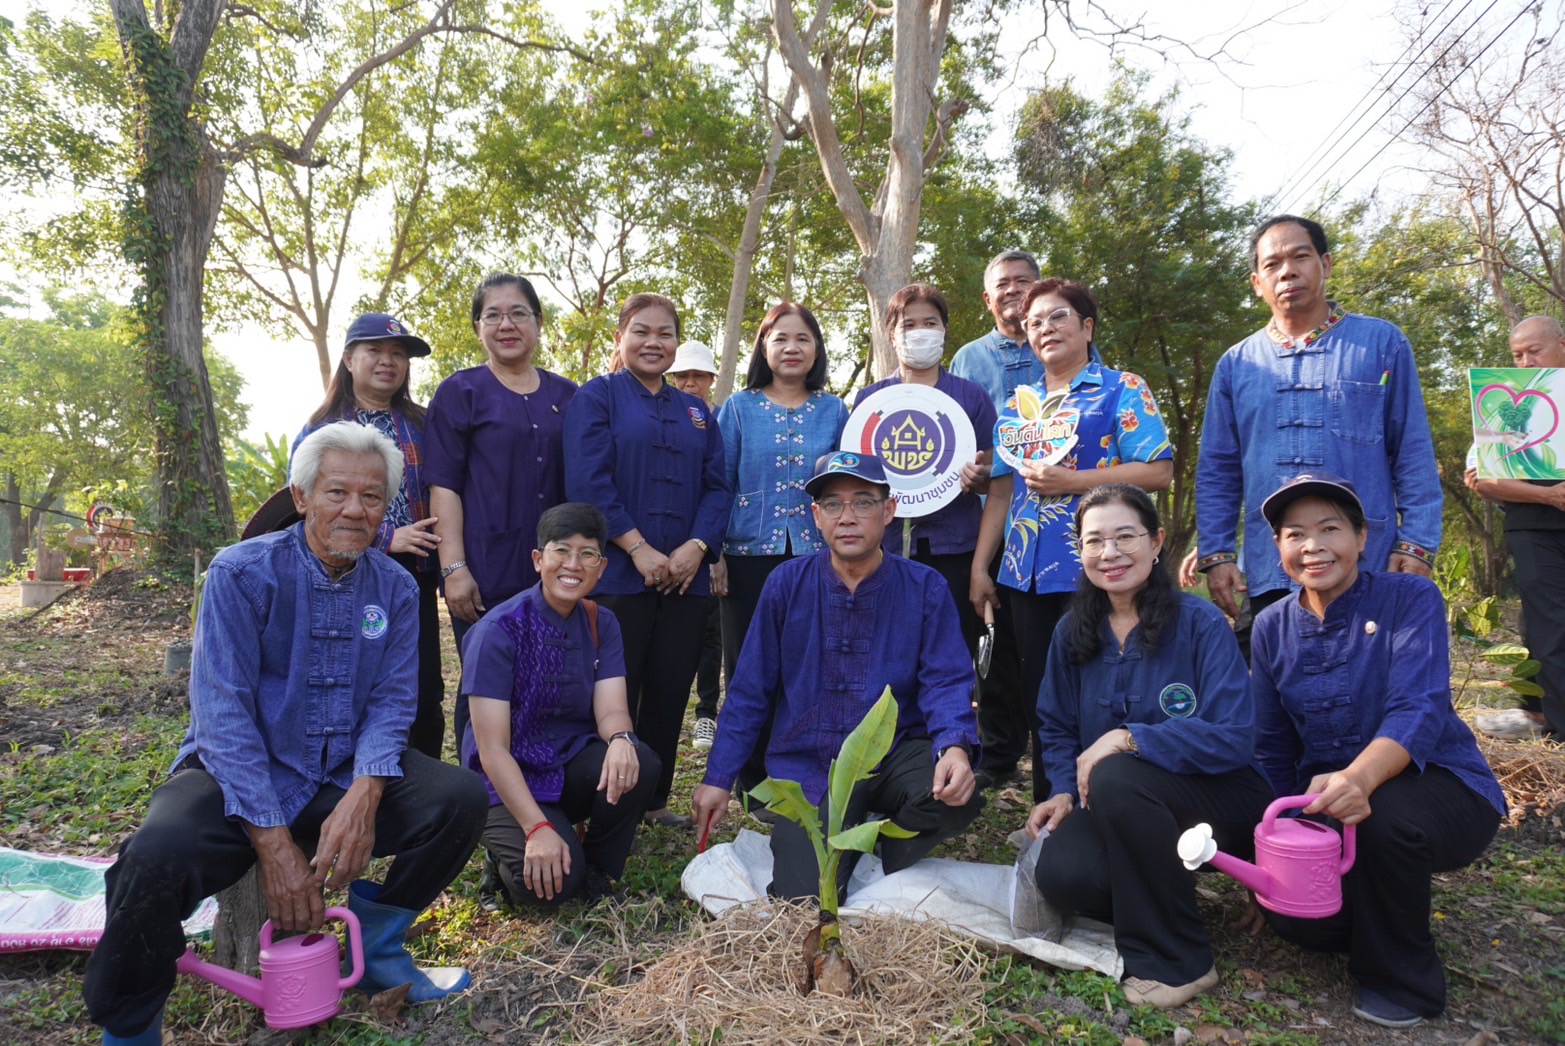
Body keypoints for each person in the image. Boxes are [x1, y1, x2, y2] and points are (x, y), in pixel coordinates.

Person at [83, 424, 487, 1046]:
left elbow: (391, 702)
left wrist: (367, 791)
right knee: (154, 855)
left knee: (458, 799)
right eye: (336, 493)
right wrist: (273, 847)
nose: (355, 510)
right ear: (301, 497)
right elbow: (223, 716)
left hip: (338, 775)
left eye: (373, 498)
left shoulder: (397, 588)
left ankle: (377, 945)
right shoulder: (241, 573)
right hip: (234, 782)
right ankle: (131, 1025)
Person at [1251, 473, 1504, 1029]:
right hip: (1330, 803)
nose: (1312, 546)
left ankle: (1403, 981)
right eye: (1295, 534)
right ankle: (1377, 909)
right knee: (1303, 925)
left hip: (1440, 785)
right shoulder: (1271, 626)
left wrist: (1361, 779)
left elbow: (1420, 707)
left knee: (1383, 819)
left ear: (1362, 537)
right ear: (1279, 549)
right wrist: (1269, 857)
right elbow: (1272, 747)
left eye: (1330, 529)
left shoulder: (1409, 597)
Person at [691, 452, 984, 900]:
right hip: (809, 768)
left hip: (895, 756)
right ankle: (839, 839)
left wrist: (955, 748)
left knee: (952, 794)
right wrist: (718, 778)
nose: (847, 517)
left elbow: (945, 680)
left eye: (863, 502)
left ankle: (881, 844)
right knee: (803, 897)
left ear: (889, 511)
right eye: (833, 504)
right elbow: (750, 689)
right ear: (816, 516)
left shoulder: (925, 587)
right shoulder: (787, 584)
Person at [1025, 484, 1272, 1008]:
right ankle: (1163, 895)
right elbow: (1056, 725)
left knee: (1117, 770)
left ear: (1156, 541)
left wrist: (1128, 738)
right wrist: (1065, 790)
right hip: (1121, 806)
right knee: (1062, 875)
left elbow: (1232, 737)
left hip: (1217, 802)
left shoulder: (1200, 622)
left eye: (1125, 536)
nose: (1110, 553)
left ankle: (1180, 960)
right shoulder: (1072, 632)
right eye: (1094, 541)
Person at [1195, 215, 1442, 648]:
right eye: (1272, 265)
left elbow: (1413, 451)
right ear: (1257, 283)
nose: (1287, 271)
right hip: (1269, 567)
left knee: (1373, 693)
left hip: (1370, 561)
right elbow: (1218, 468)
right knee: (1273, 701)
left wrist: (1417, 542)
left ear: (1325, 264)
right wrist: (1217, 554)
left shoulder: (1382, 344)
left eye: (1300, 256)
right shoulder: (1236, 365)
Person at [970, 279, 1174, 800]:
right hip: (1024, 574)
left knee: (1107, 690)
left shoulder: (1121, 388)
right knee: (1046, 697)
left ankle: (1112, 802)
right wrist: (980, 568)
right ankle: (1052, 805)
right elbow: (1000, 494)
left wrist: (1075, 483)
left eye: (1057, 317)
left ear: (1086, 326)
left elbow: (1158, 470)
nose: (1044, 329)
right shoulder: (1018, 408)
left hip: (1102, 569)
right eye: (1034, 322)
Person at [565, 293, 732, 828]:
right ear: (620, 338)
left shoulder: (697, 412)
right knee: (614, 688)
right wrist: (637, 548)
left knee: (670, 685)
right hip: (618, 575)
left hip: (686, 580)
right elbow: (588, 481)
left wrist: (695, 548)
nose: (653, 342)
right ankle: (602, 798)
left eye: (665, 333)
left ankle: (654, 798)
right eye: (641, 331)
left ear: (676, 345)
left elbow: (719, 486)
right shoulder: (597, 398)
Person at [462, 503, 660, 906]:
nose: (574, 564)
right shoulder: (498, 631)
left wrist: (622, 738)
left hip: (564, 763)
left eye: (587, 554)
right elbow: (492, 750)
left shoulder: (600, 621)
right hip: (503, 778)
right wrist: (535, 828)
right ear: (539, 559)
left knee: (642, 761)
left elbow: (610, 710)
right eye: (561, 551)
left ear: (601, 567)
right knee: (547, 893)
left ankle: (598, 871)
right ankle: (499, 852)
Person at [425, 272, 578, 749]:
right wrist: (454, 568)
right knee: (483, 683)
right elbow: (443, 485)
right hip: (484, 568)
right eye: (493, 314)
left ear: (538, 323)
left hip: (553, 569)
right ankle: (481, 799)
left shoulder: (568, 396)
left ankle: (540, 788)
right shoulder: (460, 392)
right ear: (478, 327)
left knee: (549, 680)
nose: (506, 324)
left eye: (518, 313)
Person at [853, 285, 997, 762]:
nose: (920, 333)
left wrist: (979, 476)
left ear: (946, 331)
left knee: (950, 652)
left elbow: (995, 474)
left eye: (930, 323)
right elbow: (857, 476)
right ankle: (884, 749)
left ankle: (954, 747)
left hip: (954, 548)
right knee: (882, 649)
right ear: (891, 335)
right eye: (908, 324)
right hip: (886, 549)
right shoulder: (870, 400)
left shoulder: (971, 398)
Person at [291, 312, 445, 757]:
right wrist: (386, 538)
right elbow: (301, 507)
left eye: (398, 354)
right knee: (348, 675)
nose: (388, 362)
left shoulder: (423, 423)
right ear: (349, 359)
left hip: (414, 578)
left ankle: (420, 783)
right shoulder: (320, 429)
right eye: (375, 351)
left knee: (420, 684)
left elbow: (449, 488)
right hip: (341, 577)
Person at [714, 303, 849, 806]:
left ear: (816, 349)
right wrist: (714, 554)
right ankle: (751, 781)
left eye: (803, 339)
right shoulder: (739, 408)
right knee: (749, 668)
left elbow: (849, 486)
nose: (792, 348)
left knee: (809, 666)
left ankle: (803, 777)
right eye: (781, 339)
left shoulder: (836, 411)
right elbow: (719, 483)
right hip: (746, 554)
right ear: (764, 348)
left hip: (819, 556)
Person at [949, 250, 1039, 788]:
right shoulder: (969, 360)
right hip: (988, 524)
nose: (1013, 291)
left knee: (1050, 642)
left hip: (1061, 528)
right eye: (1002, 285)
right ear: (988, 299)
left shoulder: (1064, 345)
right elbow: (955, 442)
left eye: (1023, 282)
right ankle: (1001, 753)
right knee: (995, 641)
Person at [1466, 315, 1565, 740]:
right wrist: (1548, 495)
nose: (1524, 361)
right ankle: (1557, 727)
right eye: (1517, 354)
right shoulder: (1502, 404)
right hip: (1534, 531)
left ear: (1561, 345)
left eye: (1534, 351)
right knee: (1549, 626)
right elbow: (1484, 477)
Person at [667, 341, 727, 750]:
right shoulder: (661, 417)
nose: (690, 382)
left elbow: (722, 487)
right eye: (682, 376)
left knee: (712, 637)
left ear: (711, 379)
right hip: (664, 553)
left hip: (708, 551)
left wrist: (713, 552)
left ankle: (706, 714)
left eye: (698, 376)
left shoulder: (720, 420)